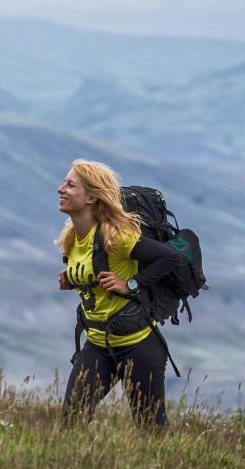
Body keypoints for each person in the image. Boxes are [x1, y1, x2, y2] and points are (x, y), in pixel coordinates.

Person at [56, 159, 183, 428]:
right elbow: (96, 274)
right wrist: (74, 280)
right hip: (97, 345)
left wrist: (132, 284)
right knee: (70, 424)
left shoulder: (116, 236)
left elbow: (170, 258)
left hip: (138, 346)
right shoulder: (71, 236)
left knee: (152, 431)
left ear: (91, 197)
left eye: (70, 185)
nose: (61, 189)